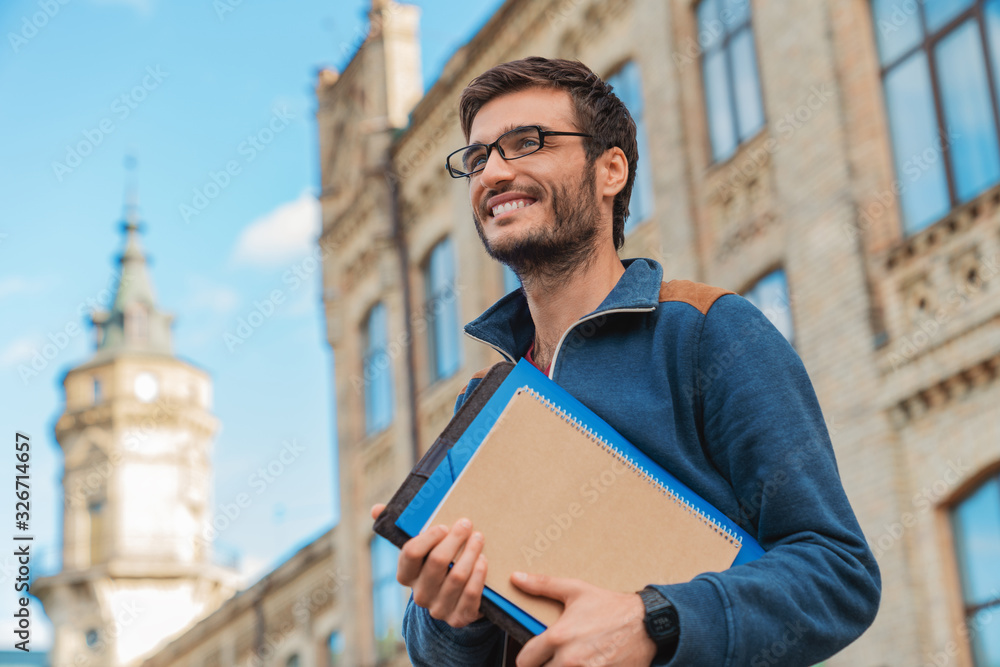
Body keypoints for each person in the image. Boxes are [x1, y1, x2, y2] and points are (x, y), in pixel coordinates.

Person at [370, 57, 881, 666]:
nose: (494, 172)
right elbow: (444, 657)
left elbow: (839, 574)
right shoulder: (484, 399)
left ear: (610, 169)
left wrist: (654, 620)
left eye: (525, 143)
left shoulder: (709, 332)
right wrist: (447, 615)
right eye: (478, 158)